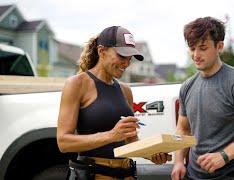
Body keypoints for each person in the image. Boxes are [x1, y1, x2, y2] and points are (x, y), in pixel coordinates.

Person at [57, 26, 171, 180]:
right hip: (94, 174)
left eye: (130, 58)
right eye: (121, 56)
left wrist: (150, 154)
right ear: (101, 51)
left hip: (126, 173)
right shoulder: (78, 84)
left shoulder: (125, 90)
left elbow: (130, 141)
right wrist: (111, 135)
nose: (126, 63)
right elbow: (64, 142)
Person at [171, 17, 234, 180]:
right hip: (193, 174)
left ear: (220, 46)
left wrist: (224, 155)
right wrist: (178, 161)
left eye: (203, 48)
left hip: (230, 174)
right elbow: (183, 128)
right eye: (192, 48)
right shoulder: (187, 87)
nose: (196, 55)